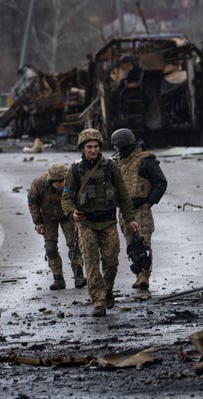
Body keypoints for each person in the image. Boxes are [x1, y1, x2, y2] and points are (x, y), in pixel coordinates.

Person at [61, 128, 139, 316]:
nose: (93, 150)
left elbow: (122, 194)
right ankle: (98, 300)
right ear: (82, 148)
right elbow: (67, 197)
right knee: (92, 263)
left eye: (96, 146)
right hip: (86, 223)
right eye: (89, 147)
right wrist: (72, 212)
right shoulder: (75, 170)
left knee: (111, 262)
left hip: (108, 222)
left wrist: (130, 219)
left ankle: (108, 290)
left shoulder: (110, 167)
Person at [110, 128, 168, 290]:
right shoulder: (118, 162)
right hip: (124, 211)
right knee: (131, 246)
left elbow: (160, 183)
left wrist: (150, 202)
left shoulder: (145, 161)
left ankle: (144, 276)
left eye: (117, 146)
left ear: (124, 145)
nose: (115, 149)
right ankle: (138, 275)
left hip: (141, 209)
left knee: (142, 244)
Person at [28, 164, 86, 290]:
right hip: (48, 217)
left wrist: (79, 214)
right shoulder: (39, 184)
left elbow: (82, 198)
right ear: (51, 181)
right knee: (50, 247)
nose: (62, 184)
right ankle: (58, 278)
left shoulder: (73, 182)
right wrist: (38, 222)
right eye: (59, 182)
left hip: (68, 215)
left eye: (64, 180)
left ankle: (79, 275)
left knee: (74, 244)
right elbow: (33, 203)